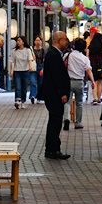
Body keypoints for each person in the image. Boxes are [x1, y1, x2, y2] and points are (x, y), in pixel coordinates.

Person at [38, 30, 71, 159]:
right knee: (55, 122)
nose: (67, 42)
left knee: (55, 121)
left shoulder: (55, 54)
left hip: (53, 95)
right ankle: (52, 150)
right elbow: (56, 76)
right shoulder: (53, 54)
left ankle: (53, 149)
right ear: (59, 40)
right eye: (65, 39)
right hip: (54, 95)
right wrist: (62, 93)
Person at [63, 38, 95, 131]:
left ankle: (67, 118)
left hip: (69, 81)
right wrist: (92, 81)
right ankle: (77, 123)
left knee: (67, 101)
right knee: (79, 103)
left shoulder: (68, 55)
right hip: (79, 82)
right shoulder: (84, 58)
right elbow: (88, 70)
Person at [9, 35, 34, 109]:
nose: (18, 42)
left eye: (19, 40)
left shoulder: (28, 50)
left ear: (23, 42)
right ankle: (17, 101)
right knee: (18, 87)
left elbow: (30, 59)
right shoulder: (14, 51)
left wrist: (30, 66)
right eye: (17, 41)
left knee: (24, 88)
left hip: (25, 71)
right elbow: (12, 61)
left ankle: (23, 102)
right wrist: (11, 71)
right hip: (17, 71)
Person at [88, 32, 102, 104]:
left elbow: (87, 56)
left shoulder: (90, 46)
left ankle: (94, 98)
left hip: (93, 65)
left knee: (94, 81)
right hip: (100, 65)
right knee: (100, 82)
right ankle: (99, 98)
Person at [29, 34, 45, 104]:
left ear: (41, 41)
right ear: (34, 41)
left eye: (39, 40)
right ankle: (33, 96)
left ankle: (39, 97)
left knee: (40, 82)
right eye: (36, 40)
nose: (38, 42)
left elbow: (44, 60)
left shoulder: (43, 50)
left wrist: (43, 68)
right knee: (33, 82)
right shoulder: (31, 49)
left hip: (40, 66)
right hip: (33, 67)